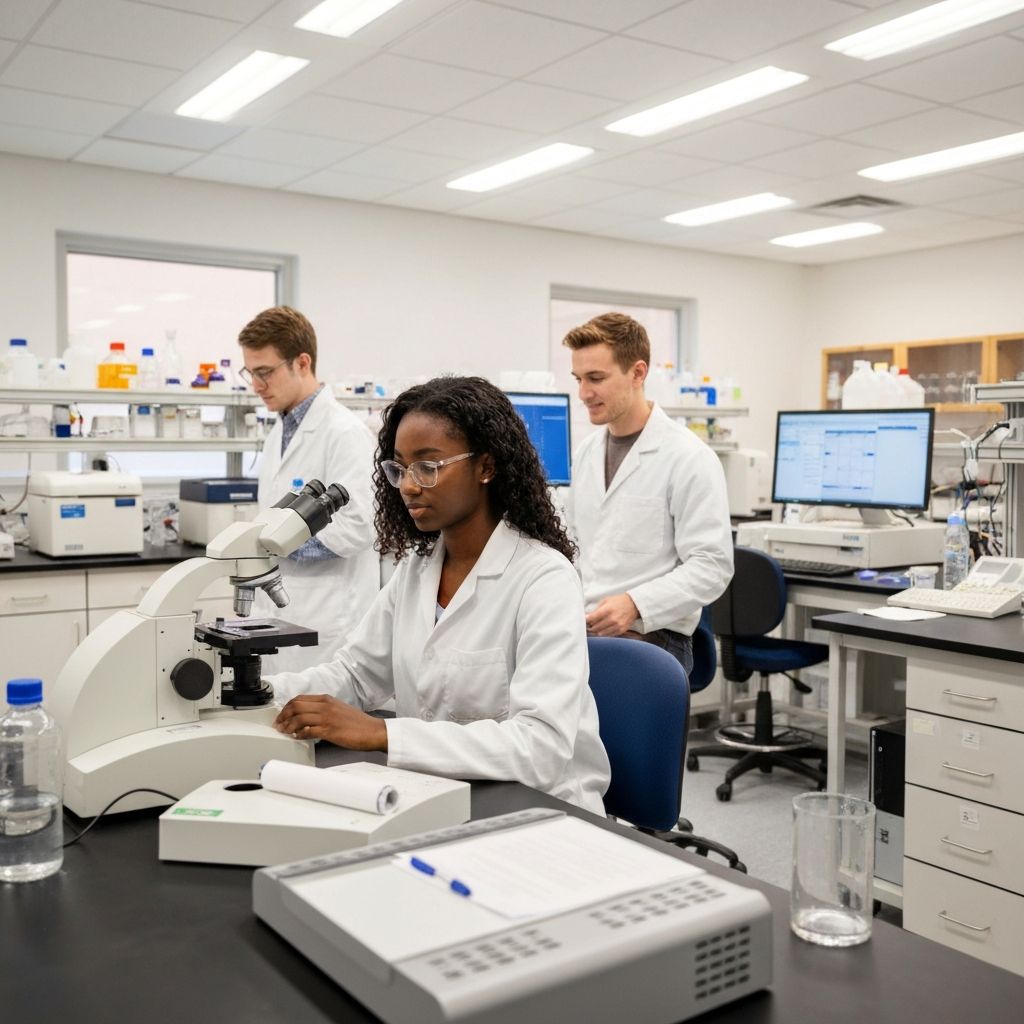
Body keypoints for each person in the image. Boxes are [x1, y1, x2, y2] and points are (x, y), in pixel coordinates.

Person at [270, 376, 610, 814]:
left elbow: (541, 746)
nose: (409, 485)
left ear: (485, 467)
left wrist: (382, 734)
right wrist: (257, 694)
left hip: (540, 810)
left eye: (428, 466)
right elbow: (356, 675)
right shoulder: (417, 569)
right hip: (440, 795)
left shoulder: (543, 579)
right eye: (399, 468)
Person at [563, 312, 733, 676]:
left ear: (638, 373)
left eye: (596, 378)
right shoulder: (586, 453)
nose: (583, 393)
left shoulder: (689, 457)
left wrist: (634, 604)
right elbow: (574, 544)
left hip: (653, 633)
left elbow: (712, 566)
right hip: (588, 626)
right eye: (579, 379)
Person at [238, 306, 378, 673]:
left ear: (302, 362)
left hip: (327, 616)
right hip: (283, 607)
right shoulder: (277, 434)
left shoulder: (344, 433)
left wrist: (278, 544)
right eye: (250, 373)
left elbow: (359, 527)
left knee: (320, 722)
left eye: (265, 372)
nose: (256, 386)